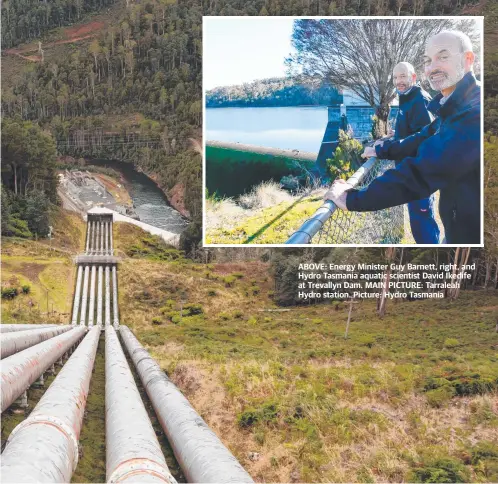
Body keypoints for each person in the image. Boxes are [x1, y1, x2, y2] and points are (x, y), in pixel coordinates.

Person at [324, 30, 481, 244]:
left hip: (473, 241)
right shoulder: (453, 109)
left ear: (468, 59)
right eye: (428, 60)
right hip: (459, 229)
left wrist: (351, 198)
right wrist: (380, 149)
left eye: (443, 57)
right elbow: (421, 136)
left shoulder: (474, 112)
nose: (432, 66)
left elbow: (421, 171)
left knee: (423, 228)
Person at [390, 61, 440, 243]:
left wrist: (387, 150)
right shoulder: (407, 98)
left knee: (423, 226)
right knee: (419, 224)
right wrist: (392, 137)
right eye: (395, 77)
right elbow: (411, 130)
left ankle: (434, 265)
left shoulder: (419, 100)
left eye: (402, 76)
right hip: (411, 173)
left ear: (413, 77)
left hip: (419, 175)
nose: (398, 81)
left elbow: (424, 138)